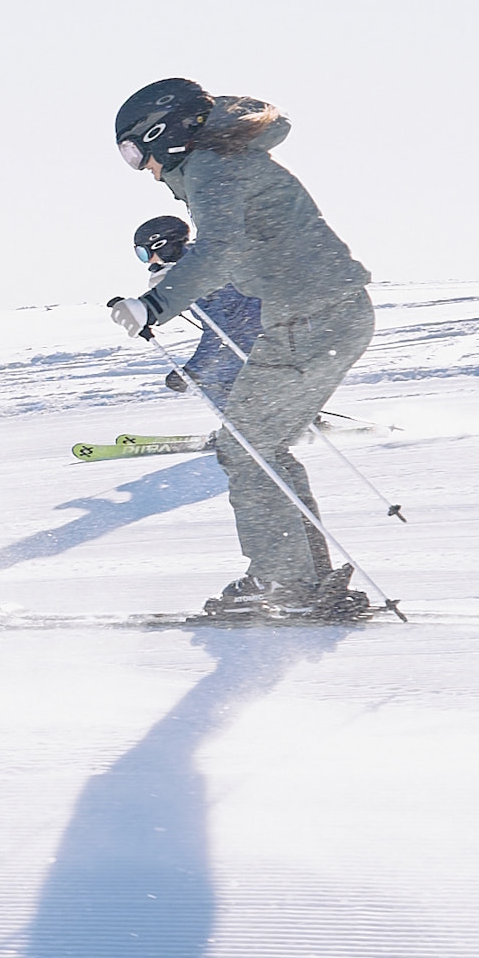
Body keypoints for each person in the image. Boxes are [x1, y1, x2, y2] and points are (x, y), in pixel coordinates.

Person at [108, 78, 376, 618]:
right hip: (327, 315)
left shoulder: (213, 168)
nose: (141, 168)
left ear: (164, 135)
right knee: (259, 449)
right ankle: (305, 578)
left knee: (246, 449)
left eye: (135, 152)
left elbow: (219, 251)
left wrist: (154, 307)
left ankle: (286, 584)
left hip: (310, 320)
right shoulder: (225, 161)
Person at [133, 212, 261, 412]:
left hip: (254, 337)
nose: (149, 262)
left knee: (213, 380)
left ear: (163, 246)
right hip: (262, 333)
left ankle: (246, 435)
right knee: (246, 380)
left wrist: (193, 370)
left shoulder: (196, 277)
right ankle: (293, 423)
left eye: (144, 253)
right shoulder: (200, 262)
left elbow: (219, 332)